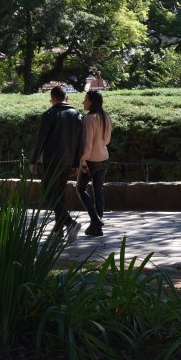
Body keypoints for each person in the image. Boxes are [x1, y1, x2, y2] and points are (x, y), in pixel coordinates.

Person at [30, 85, 83, 244]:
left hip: (52, 160)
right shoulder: (77, 115)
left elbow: (41, 139)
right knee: (59, 194)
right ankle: (58, 230)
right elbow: (79, 142)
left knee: (48, 193)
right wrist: (75, 163)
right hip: (68, 161)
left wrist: (33, 160)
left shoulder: (50, 114)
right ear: (66, 98)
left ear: (53, 99)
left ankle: (70, 223)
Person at [76, 90, 112, 237]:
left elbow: (87, 143)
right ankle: (97, 228)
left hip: (91, 160)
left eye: (85, 99)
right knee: (98, 191)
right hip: (104, 158)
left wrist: (83, 160)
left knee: (80, 188)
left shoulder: (89, 119)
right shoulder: (106, 117)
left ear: (91, 102)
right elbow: (107, 141)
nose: (83, 102)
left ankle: (96, 221)